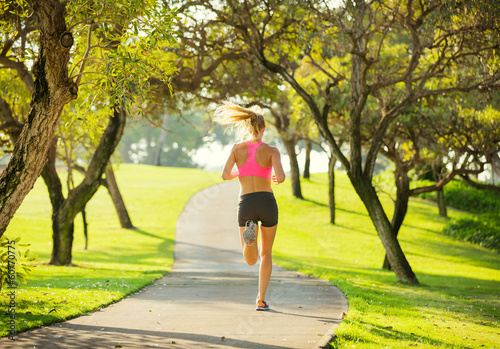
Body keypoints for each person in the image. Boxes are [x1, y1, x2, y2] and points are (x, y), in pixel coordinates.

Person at [214, 101, 286, 311]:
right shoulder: (272, 150)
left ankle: (249, 240)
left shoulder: (237, 149)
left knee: (250, 259)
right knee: (267, 254)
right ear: (263, 129)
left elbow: (225, 175)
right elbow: (280, 177)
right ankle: (261, 299)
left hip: (246, 203)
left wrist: (241, 172)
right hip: (267, 202)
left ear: (246, 127)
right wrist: (274, 176)